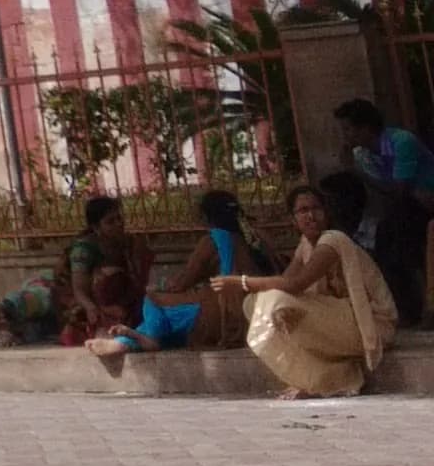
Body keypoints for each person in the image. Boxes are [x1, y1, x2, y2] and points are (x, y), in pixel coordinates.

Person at [215, 173, 399, 399]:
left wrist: (242, 282)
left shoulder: (333, 240)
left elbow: (295, 284)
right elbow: (283, 285)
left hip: (371, 325)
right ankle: (321, 378)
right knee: (256, 304)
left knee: (275, 303)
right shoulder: (305, 246)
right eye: (303, 211)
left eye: (316, 209)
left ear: (326, 213)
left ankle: (323, 379)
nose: (311, 216)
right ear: (294, 219)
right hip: (339, 320)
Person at [106, 190, 273, 353]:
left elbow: (181, 284)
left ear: (206, 217)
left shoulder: (214, 239)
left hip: (227, 319)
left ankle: (134, 341)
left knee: (152, 299)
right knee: (175, 321)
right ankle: (127, 342)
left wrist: (163, 286)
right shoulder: (257, 237)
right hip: (259, 315)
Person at [0, 195, 140, 347]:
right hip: (61, 289)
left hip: (94, 298)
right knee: (39, 299)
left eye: (119, 218)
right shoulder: (83, 250)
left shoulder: (127, 244)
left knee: (42, 331)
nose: (119, 224)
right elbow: (79, 289)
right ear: (96, 227)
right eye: (110, 221)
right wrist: (90, 307)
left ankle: (5, 328)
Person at [331, 99, 433, 327]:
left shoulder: (401, 142)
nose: (346, 136)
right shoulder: (363, 154)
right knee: (382, 241)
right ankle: (405, 308)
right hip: (401, 208)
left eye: (348, 129)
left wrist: (358, 172)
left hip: (423, 204)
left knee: (397, 235)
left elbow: (400, 190)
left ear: (366, 128)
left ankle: (420, 306)